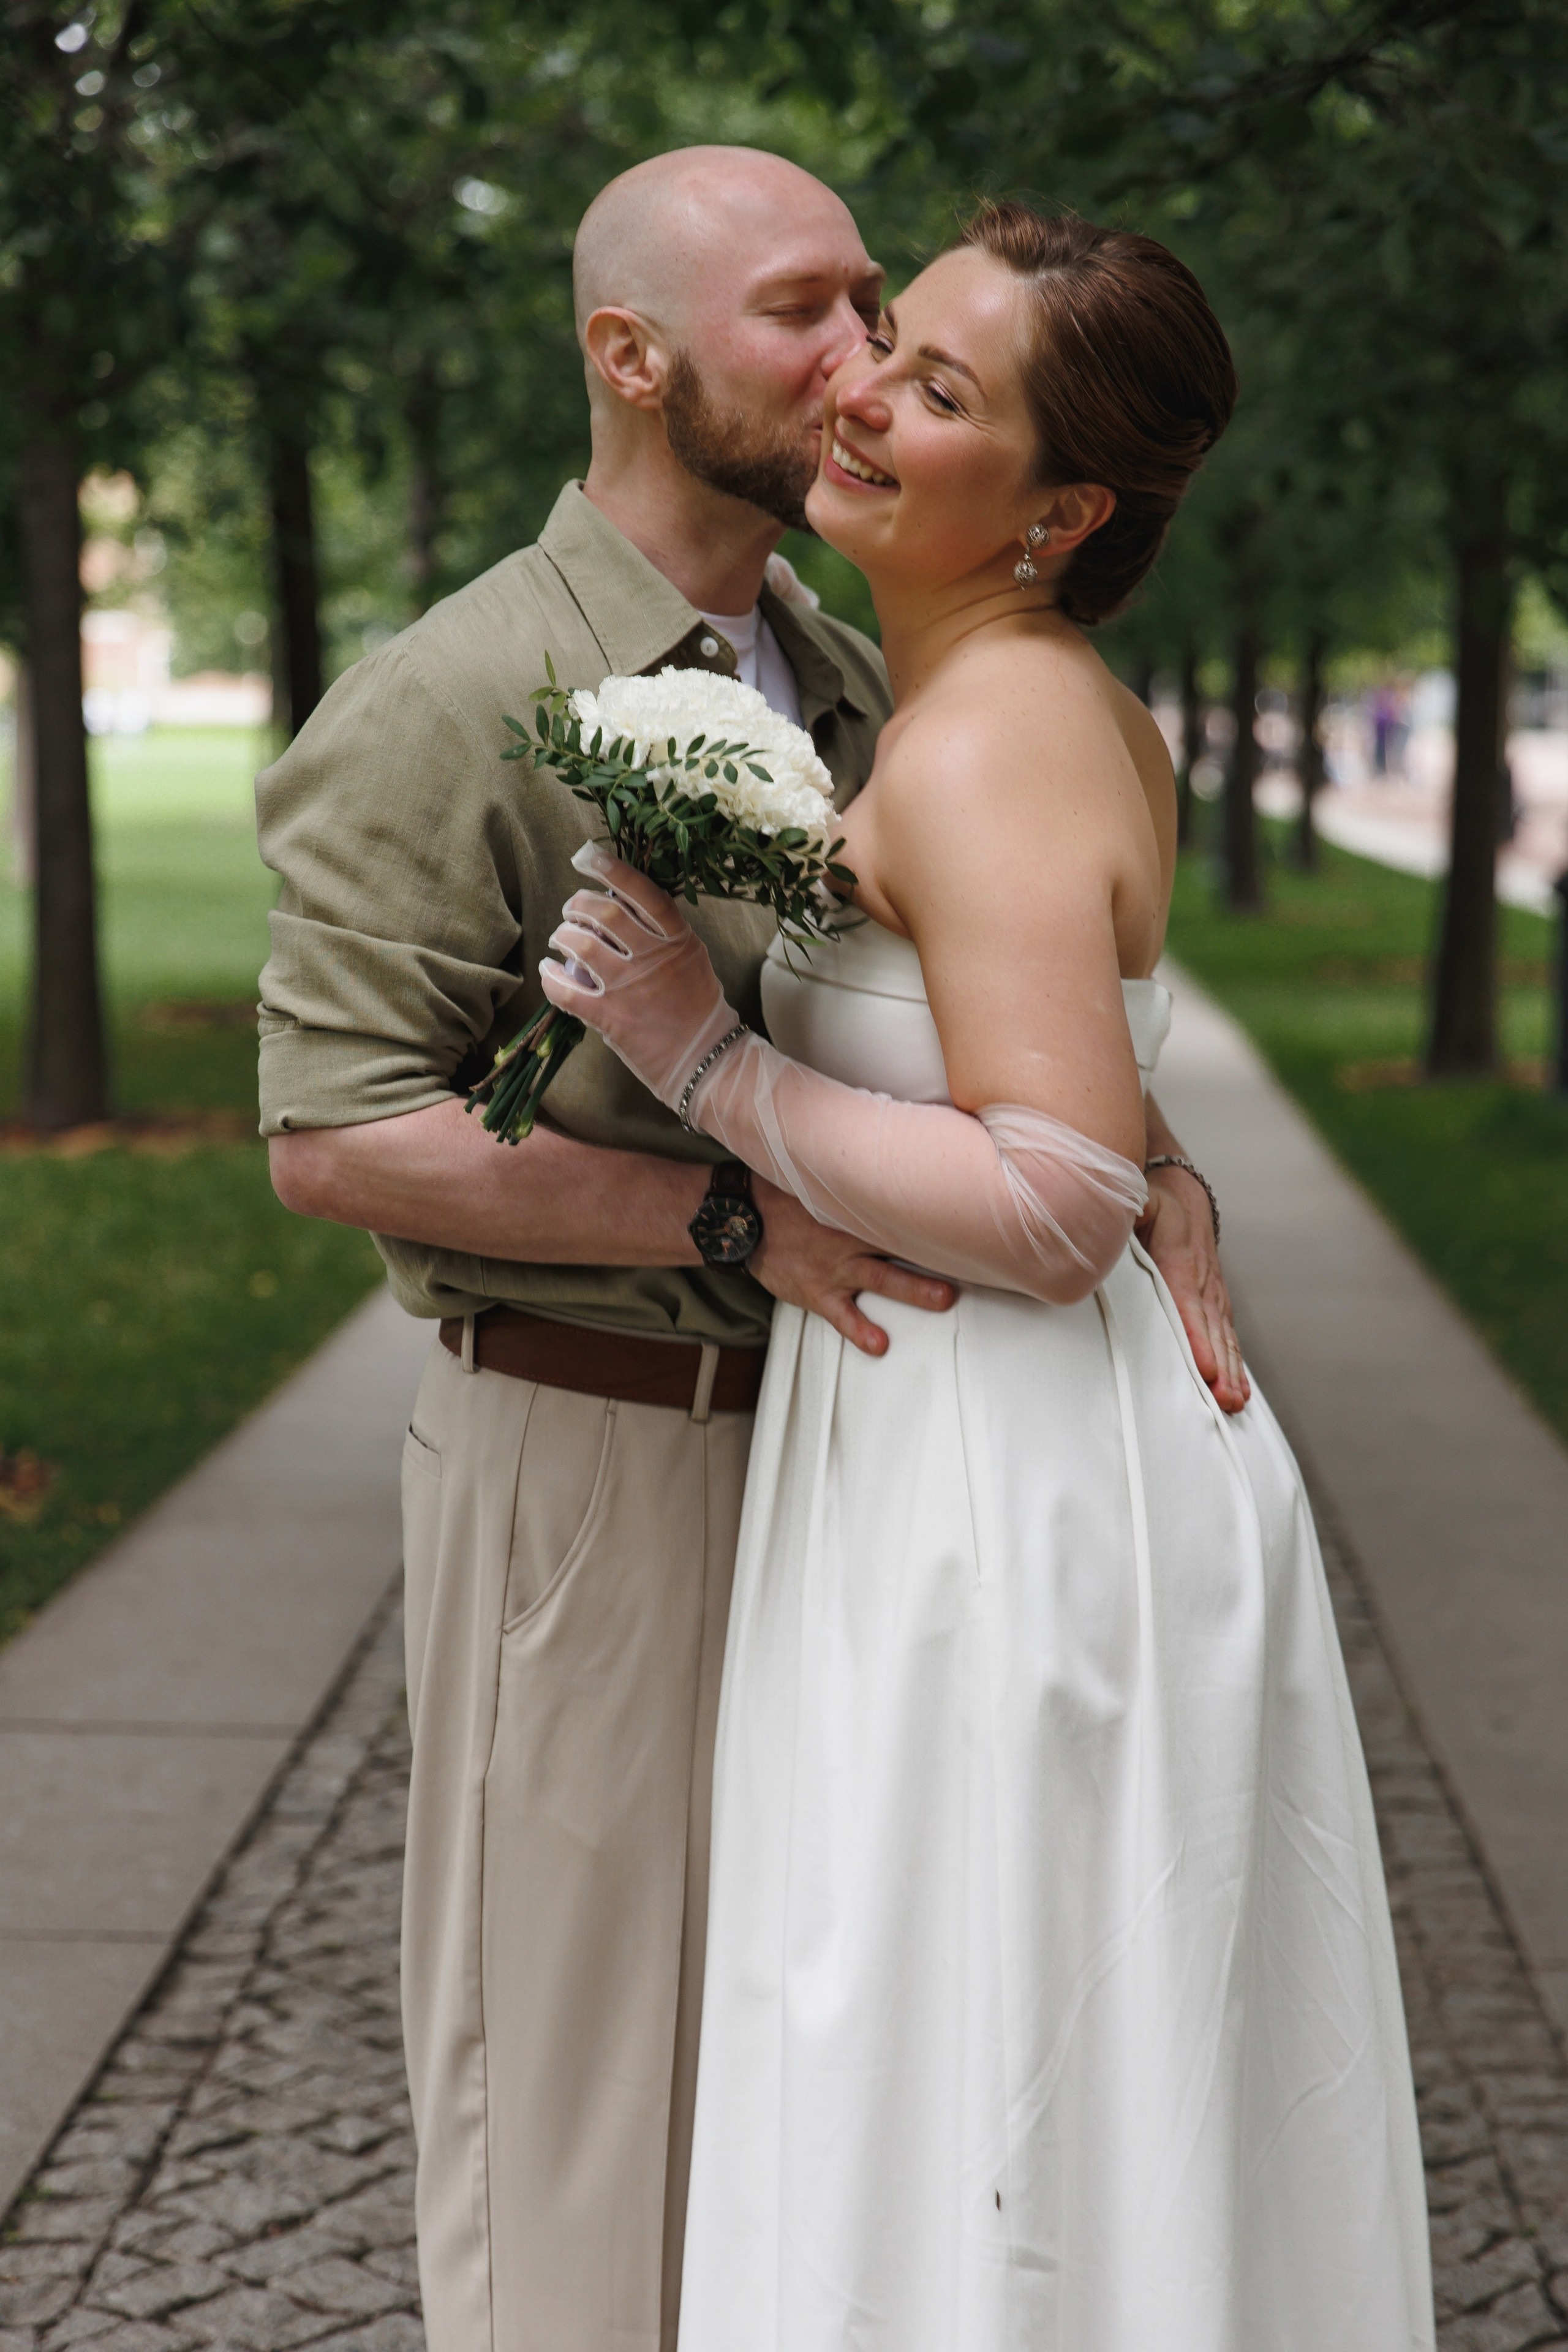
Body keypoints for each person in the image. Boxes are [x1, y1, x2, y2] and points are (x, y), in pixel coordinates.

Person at [257, 149, 1247, 2352]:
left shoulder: (846, 655)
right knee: (579, 2129)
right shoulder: (451, 695)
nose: (860, 361)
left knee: (816, 2115)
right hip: (595, 1468)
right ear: (633, 358)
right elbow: (334, 1142)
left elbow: (999, 1012)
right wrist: (736, 1199)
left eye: (883, 314)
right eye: (807, 315)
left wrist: (1151, 1161)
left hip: (853, 1476)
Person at [541, 202, 1436, 2350]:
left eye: (940, 390)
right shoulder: (1001, 697)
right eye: (883, 348)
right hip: (975, 1462)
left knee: (981, 2069)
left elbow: (1046, 1201)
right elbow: (1078, 1099)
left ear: (1062, 510)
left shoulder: (990, 735)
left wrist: (705, 1057)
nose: (859, 392)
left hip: (1009, 1509)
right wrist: (1155, 1144)